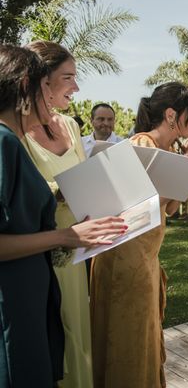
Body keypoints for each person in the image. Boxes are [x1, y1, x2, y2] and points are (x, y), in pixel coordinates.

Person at [0, 45, 125, 387]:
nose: (74, 88)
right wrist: (64, 235)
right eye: (63, 79)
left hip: (49, 271)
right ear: (30, 85)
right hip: (20, 283)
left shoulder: (23, 135)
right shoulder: (7, 141)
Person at [90, 82, 188, 388]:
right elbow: (131, 211)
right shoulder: (140, 145)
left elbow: (169, 210)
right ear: (171, 114)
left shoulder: (166, 149)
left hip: (146, 259)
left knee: (144, 340)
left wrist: (186, 172)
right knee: (127, 342)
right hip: (124, 262)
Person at [23, 40, 94, 387]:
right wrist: (58, 192)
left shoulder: (71, 126)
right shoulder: (15, 133)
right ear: (42, 81)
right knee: (52, 341)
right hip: (42, 254)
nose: (77, 87)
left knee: (79, 338)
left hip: (80, 250)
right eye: (68, 77)